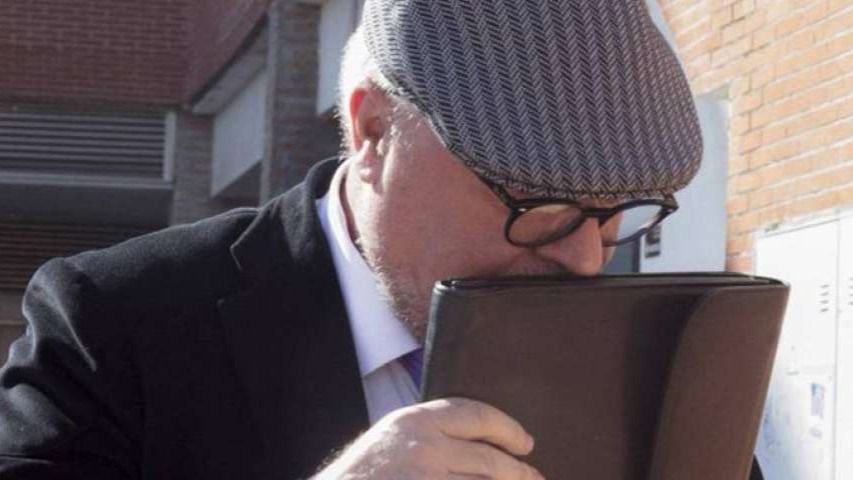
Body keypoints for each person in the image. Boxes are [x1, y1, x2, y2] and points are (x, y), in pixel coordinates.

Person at [0, 1, 762, 479]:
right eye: (541, 205)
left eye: (616, 212)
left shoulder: (640, 342)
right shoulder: (115, 320)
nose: (585, 259)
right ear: (372, 131)